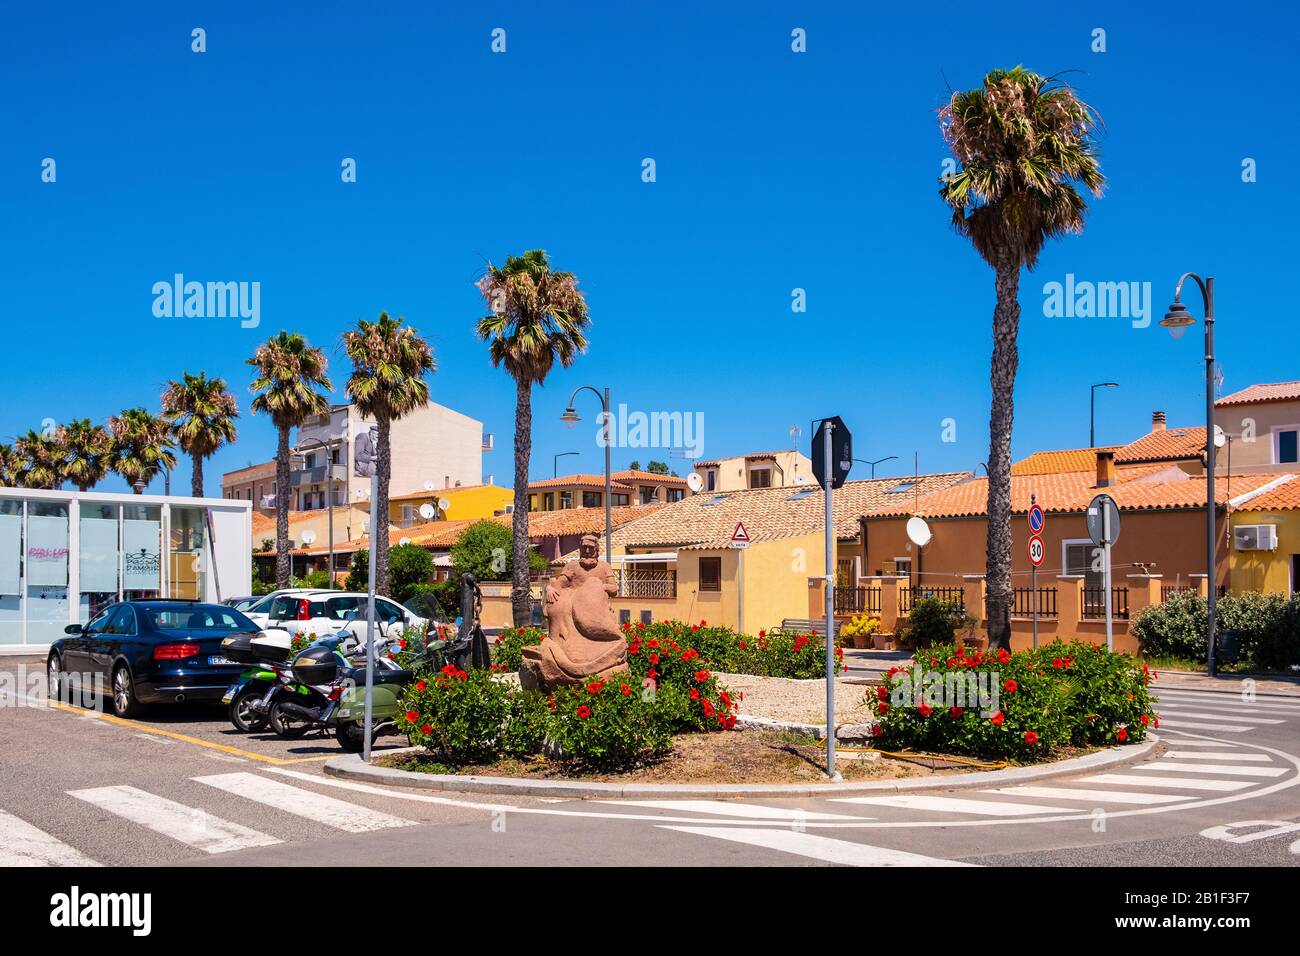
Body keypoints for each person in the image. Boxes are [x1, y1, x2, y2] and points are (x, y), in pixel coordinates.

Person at [519, 534, 627, 689]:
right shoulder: (573, 566)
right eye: (584, 548)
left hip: (594, 603)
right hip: (570, 601)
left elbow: (614, 588)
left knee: (588, 602)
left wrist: (598, 587)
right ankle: (561, 641)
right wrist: (550, 588)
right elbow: (560, 584)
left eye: (591, 548)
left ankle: (593, 644)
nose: (587, 551)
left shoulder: (604, 567)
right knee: (558, 603)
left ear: (597, 550)